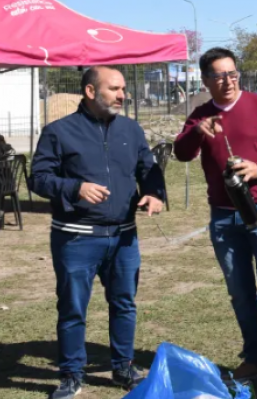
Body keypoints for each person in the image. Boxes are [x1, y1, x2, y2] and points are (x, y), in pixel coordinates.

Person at [31, 66, 166, 399]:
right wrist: (75, 188)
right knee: (73, 308)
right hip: (76, 238)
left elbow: (148, 169)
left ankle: (123, 368)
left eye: (123, 89)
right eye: (115, 89)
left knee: (124, 304)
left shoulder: (131, 130)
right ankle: (72, 375)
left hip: (123, 238)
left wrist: (155, 193)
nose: (123, 95)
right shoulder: (58, 132)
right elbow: (38, 179)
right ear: (91, 92)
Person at [173, 47, 257, 397]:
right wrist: (198, 131)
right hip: (224, 215)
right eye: (218, 76)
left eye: (232, 74)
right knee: (241, 291)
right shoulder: (200, 116)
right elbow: (181, 152)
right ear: (205, 80)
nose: (227, 81)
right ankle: (256, 357)